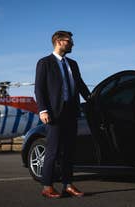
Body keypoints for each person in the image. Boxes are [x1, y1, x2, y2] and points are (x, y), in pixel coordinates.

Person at [34, 31, 91, 198]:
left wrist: (91, 99)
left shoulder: (73, 64)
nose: (72, 44)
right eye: (69, 41)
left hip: (71, 111)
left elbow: (79, 84)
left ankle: (67, 184)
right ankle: (47, 186)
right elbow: (39, 88)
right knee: (53, 150)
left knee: (69, 150)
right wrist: (43, 109)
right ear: (59, 41)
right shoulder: (45, 63)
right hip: (54, 113)